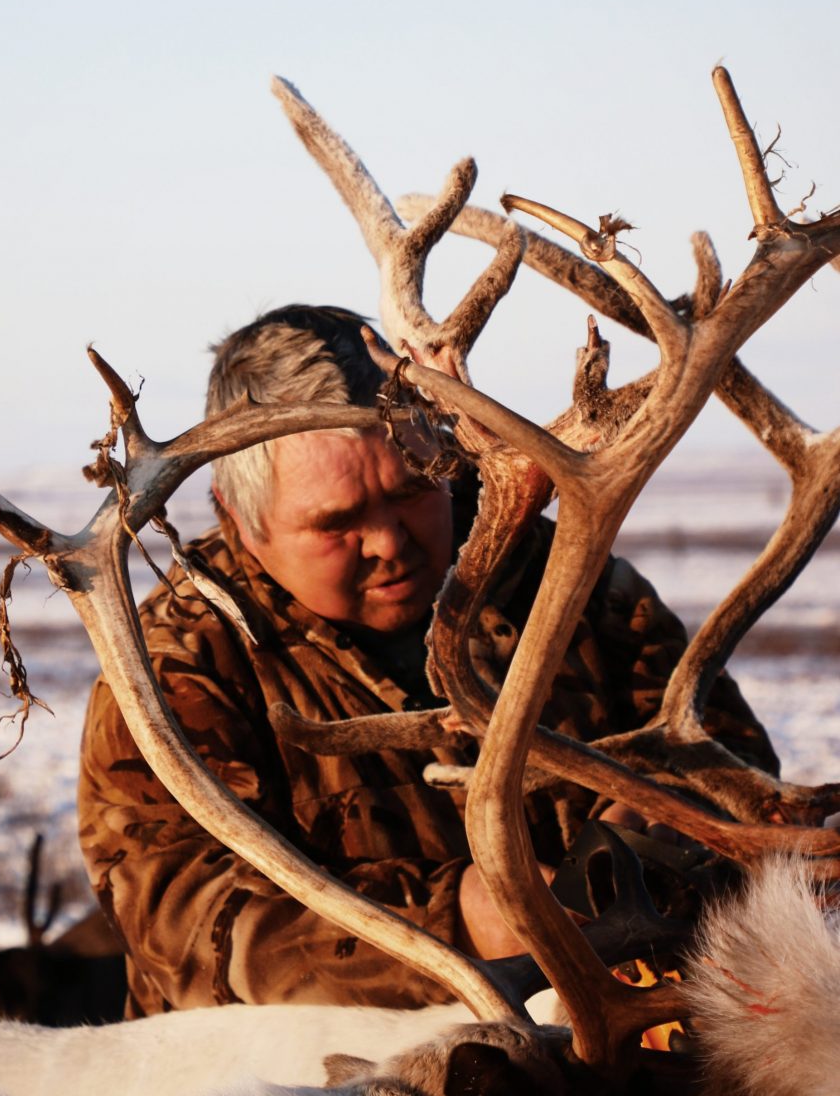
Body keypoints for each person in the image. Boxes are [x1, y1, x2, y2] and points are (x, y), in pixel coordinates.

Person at [78, 305, 777, 1016]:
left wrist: (658, 828)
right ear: (237, 519)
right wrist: (459, 922)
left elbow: (729, 761)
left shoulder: (573, 580)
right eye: (337, 523)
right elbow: (185, 936)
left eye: (414, 491)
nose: (388, 542)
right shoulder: (172, 673)